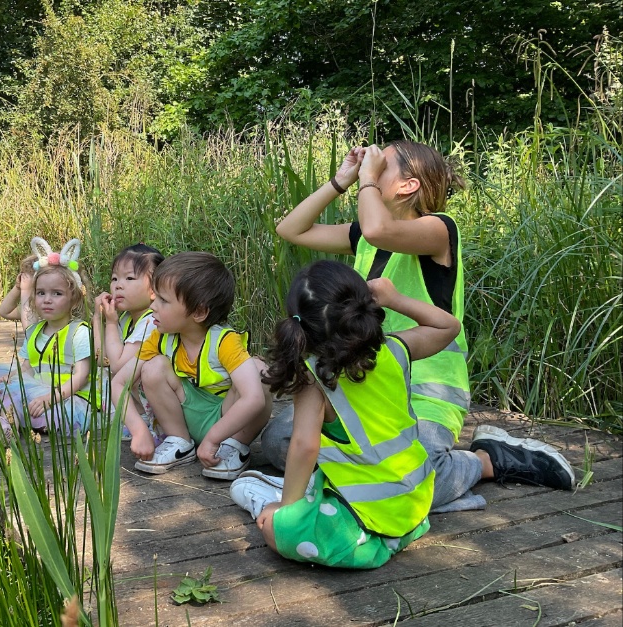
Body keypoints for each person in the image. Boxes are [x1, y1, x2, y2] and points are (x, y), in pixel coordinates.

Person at [266, 141, 573, 512]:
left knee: (416, 477)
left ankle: (487, 460)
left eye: (382, 166)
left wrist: (366, 179)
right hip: (369, 382)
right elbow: (291, 229)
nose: (372, 168)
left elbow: (380, 231)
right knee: (280, 441)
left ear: (408, 186)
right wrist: (342, 179)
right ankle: (371, 482)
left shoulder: (438, 229)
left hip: (427, 386)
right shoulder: (365, 234)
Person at [231, 261, 459, 568]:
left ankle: (274, 499)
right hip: (415, 505)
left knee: (277, 531)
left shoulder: (314, 377)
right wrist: (395, 298)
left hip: (367, 512)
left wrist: (287, 513)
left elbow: (304, 447)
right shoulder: (395, 349)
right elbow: (449, 327)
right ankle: (378, 530)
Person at [110, 252, 271, 480]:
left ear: (199, 312)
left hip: (230, 421)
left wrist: (214, 438)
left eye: (163, 301)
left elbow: (254, 398)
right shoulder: (160, 338)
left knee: (259, 371)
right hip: (187, 416)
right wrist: (138, 430)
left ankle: (234, 446)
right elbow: (118, 383)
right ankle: (180, 441)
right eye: (155, 297)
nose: (153, 305)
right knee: (153, 367)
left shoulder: (224, 341)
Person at [0, 238, 95, 437]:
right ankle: (4, 423)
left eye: (57, 293)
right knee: (8, 390)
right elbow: (28, 367)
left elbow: (80, 377)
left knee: (39, 410)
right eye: (41, 293)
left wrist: (50, 398)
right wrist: (10, 377)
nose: (47, 299)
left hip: (66, 397)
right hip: (36, 390)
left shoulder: (79, 332)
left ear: (74, 298)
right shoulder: (36, 331)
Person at [93, 243, 165, 442]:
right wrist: (97, 320)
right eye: (114, 278)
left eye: (129, 278)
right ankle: (139, 419)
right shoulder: (126, 319)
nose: (118, 285)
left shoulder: (152, 321)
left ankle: (151, 425)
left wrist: (110, 321)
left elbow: (118, 365)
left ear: (154, 289)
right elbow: (103, 360)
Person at [0, 254, 39, 328]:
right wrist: (17, 287)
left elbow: (30, 331)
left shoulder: (51, 307)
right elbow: (5, 312)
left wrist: (26, 291)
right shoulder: (33, 306)